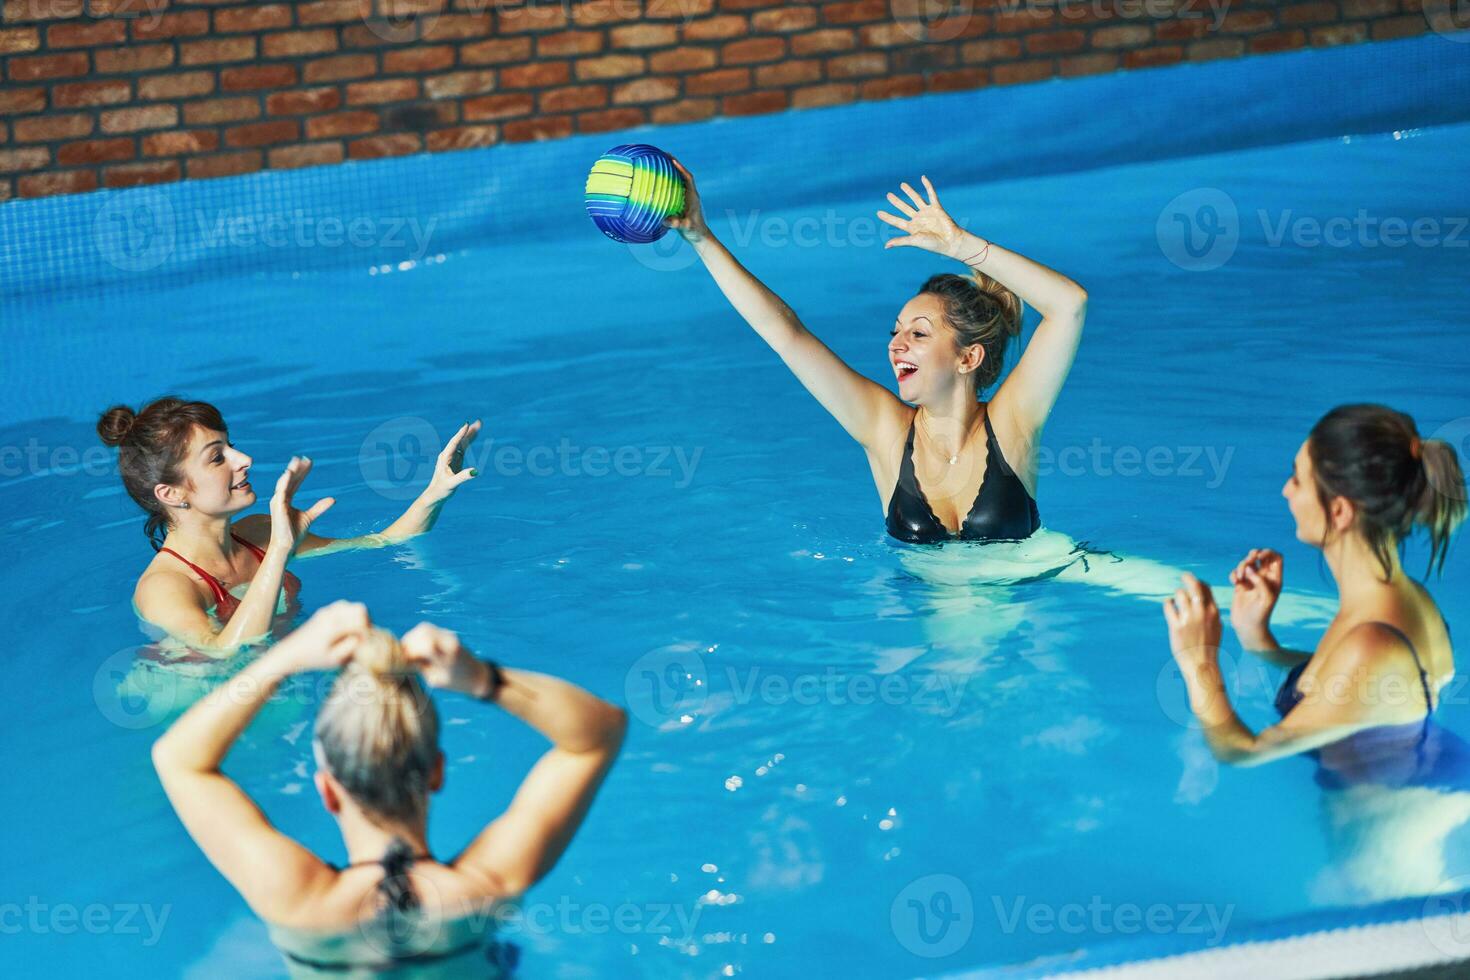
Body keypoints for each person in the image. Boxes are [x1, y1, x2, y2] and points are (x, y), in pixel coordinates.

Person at [151, 601, 627, 975]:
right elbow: (598, 735)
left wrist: (284, 659)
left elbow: (178, 759)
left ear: (327, 791)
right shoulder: (491, 883)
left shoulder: (297, 898)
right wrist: (481, 678)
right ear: (437, 772)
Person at [663, 163, 1087, 544]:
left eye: (919, 334)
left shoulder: (1012, 423)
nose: (896, 344)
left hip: (1037, 590)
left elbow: (1068, 305)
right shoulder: (885, 431)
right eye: (896, 331)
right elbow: (784, 333)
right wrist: (701, 239)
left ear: (968, 358)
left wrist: (961, 246)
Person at [1165, 404, 1465, 767]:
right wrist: (1258, 640)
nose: (1285, 491)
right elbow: (1352, 686)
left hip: (1386, 813)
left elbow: (1241, 752)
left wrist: (1198, 660)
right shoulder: (1406, 597)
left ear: (1339, 511)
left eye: (1298, 478)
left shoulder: (1372, 642)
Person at [97, 397, 480, 652]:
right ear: (171, 493)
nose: (243, 459)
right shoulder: (165, 588)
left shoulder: (258, 533)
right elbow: (223, 653)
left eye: (232, 446)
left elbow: (382, 542)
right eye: (217, 458)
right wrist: (280, 551)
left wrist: (435, 491)